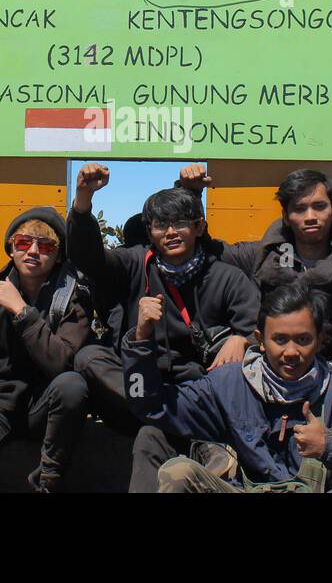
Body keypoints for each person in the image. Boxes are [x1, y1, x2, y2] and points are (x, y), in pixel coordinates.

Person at [68, 163, 259, 492]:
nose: (170, 232)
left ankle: (175, 420)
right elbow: (89, 258)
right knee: (88, 358)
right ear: (149, 231)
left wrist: (243, 338)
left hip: (199, 388)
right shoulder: (134, 263)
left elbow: (259, 322)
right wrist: (83, 199)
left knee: (150, 436)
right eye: (160, 225)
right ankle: (185, 425)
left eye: (180, 223)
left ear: (198, 227)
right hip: (142, 386)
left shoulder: (224, 275)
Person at [123, 282, 332, 492]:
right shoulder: (229, 384)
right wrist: (140, 338)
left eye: (303, 340)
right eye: (280, 340)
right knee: (179, 472)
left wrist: (331, 444)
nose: (291, 352)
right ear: (260, 340)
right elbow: (151, 406)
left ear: (320, 341)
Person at [176, 164, 332, 421]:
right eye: (299, 208)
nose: (310, 216)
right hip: (275, 367)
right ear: (286, 216)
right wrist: (190, 194)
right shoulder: (263, 255)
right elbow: (206, 250)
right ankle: (242, 450)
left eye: (319, 206)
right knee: (228, 370)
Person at [0, 208, 94, 493]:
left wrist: (23, 312)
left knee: (72, 385)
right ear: (11, 248)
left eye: (46, 246)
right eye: (24, 243)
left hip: (45, 405)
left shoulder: (75, 297)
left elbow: (61, 363)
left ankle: (48, 481)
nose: (33, 252)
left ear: (59, 255)